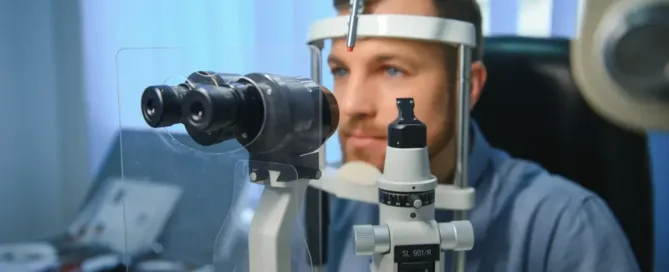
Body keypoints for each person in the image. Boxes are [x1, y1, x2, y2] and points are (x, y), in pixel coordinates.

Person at [315, 0, 641, 271]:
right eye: (340, 71)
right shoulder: (317, 209)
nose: (351, 105)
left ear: (467, 87)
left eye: (392, 69)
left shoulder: (566, 228)